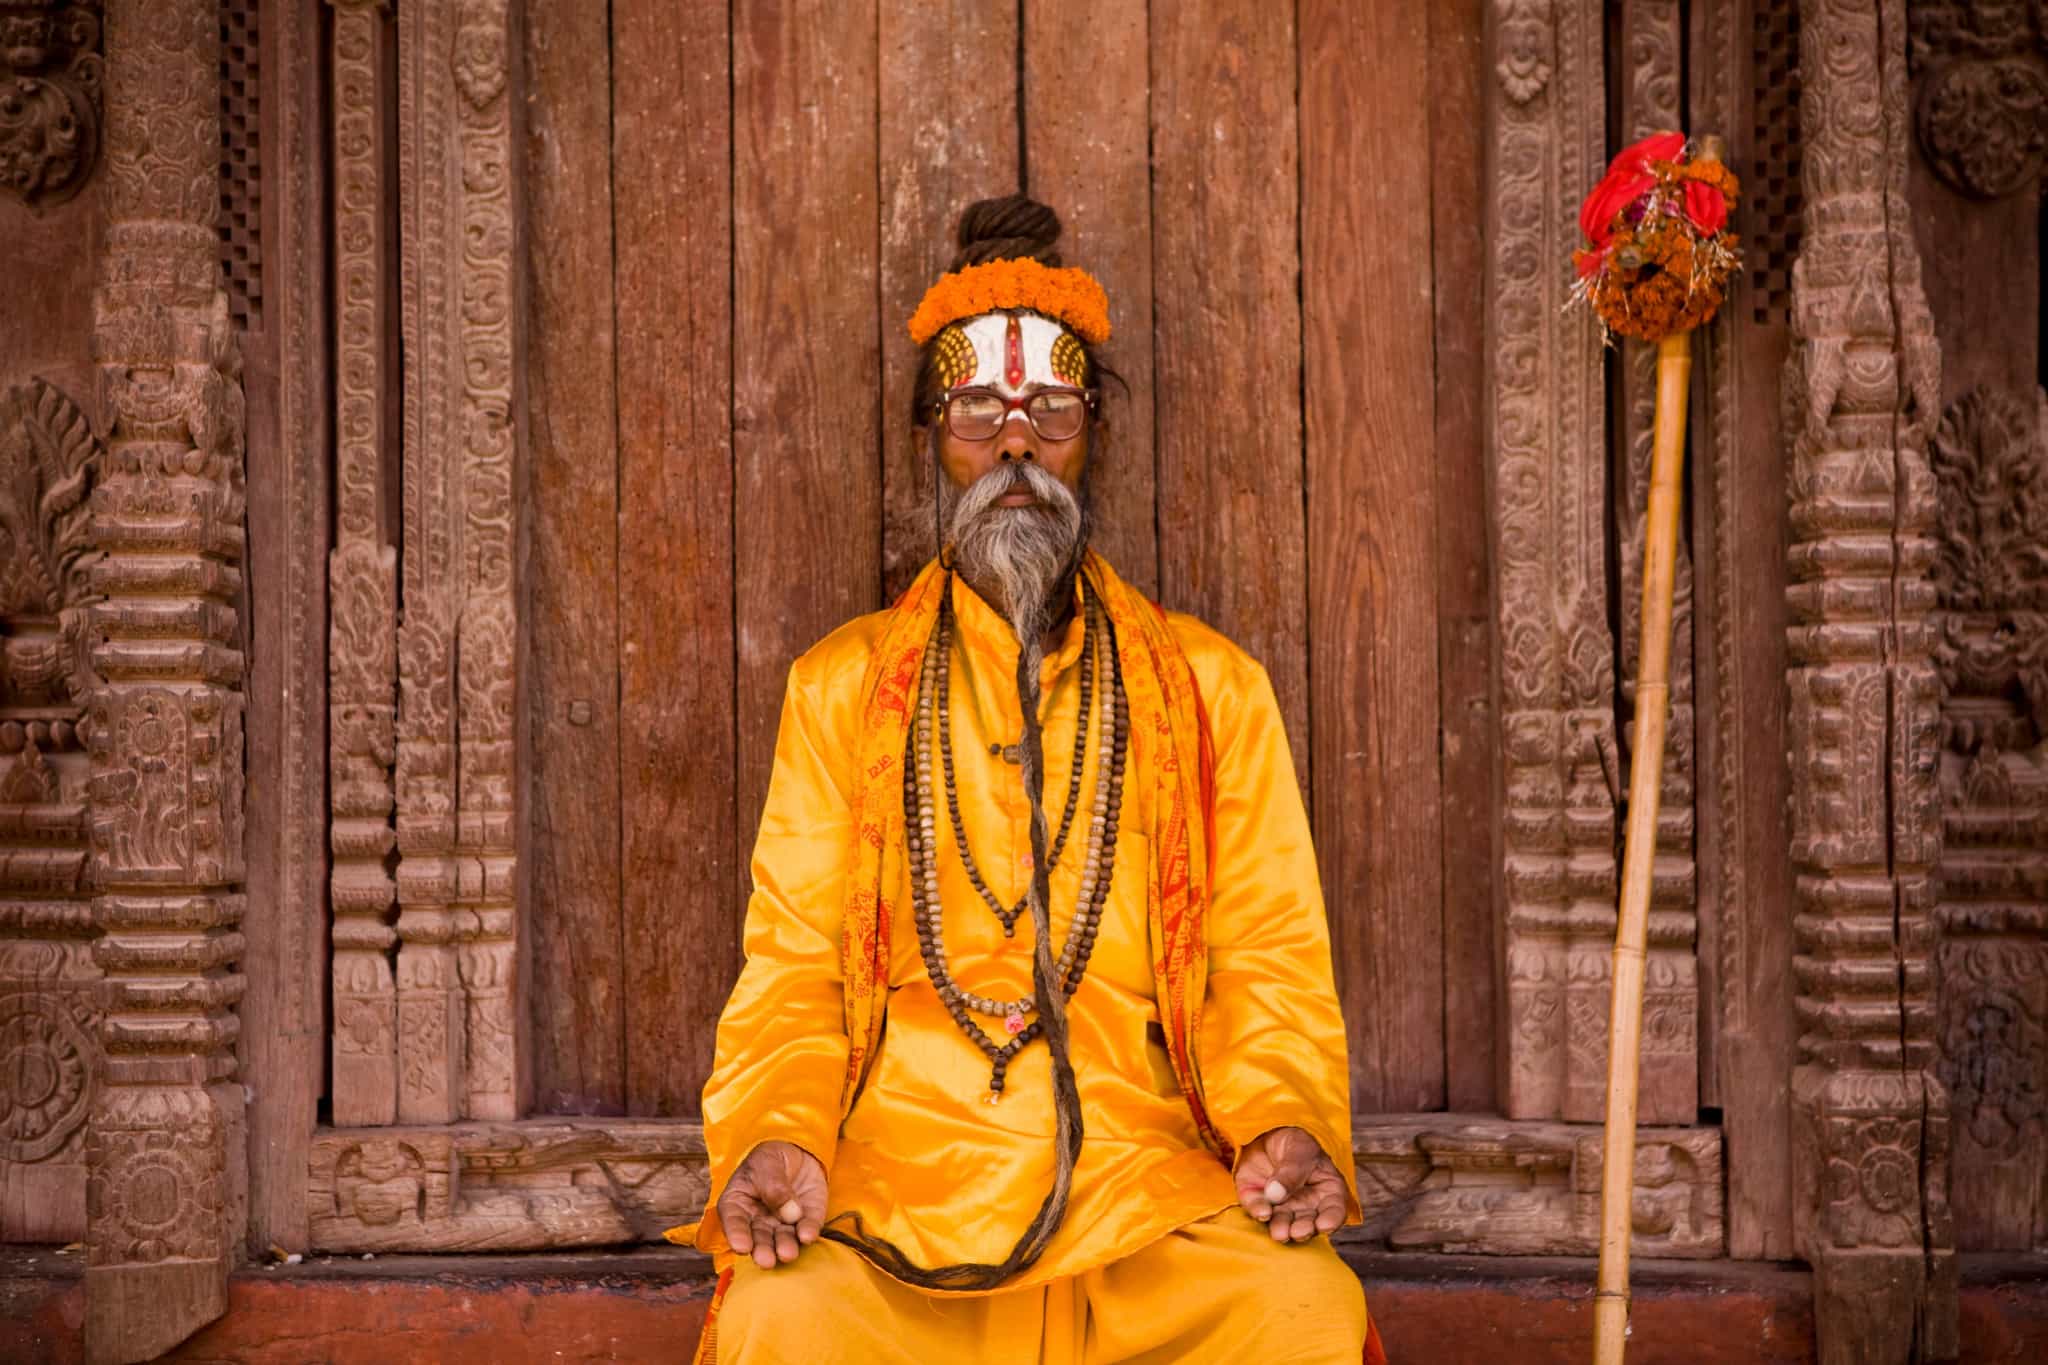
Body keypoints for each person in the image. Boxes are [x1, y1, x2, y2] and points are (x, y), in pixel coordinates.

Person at [669, 195, 1380, 1364]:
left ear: (1090, 429)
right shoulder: (839, 689)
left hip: (1140, 1194)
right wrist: (777, 1136)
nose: (1012, 446)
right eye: (976, 413)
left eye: (1048, 410)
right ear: (927, 438)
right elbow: (791, 970)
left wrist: (1282, 1124)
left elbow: (1267, 961)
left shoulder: (1210, 688)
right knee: (781, 1319)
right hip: (896, 1197)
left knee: (1297, 1310)